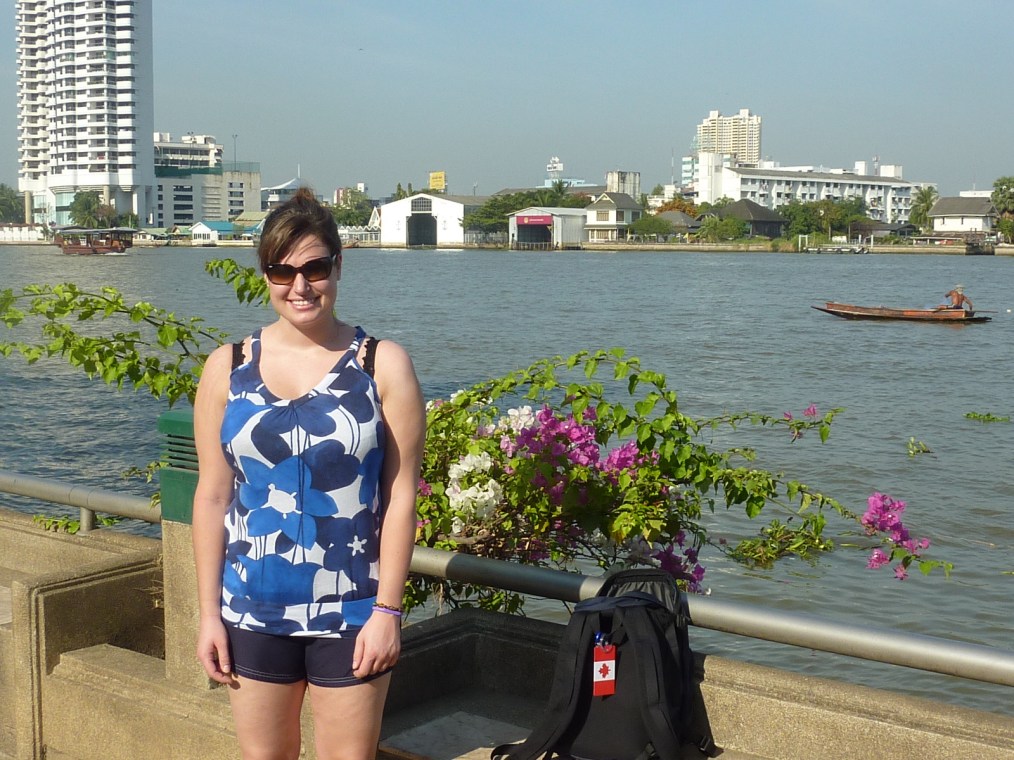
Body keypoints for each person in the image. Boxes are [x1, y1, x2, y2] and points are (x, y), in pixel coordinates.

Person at [192, 187, 425, 760]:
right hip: (251, 607)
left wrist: (388, 612)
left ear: (338, 267)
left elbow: (399, 497)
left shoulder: (381, 364)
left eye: (315, 267)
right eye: (282, 270)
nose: (300, 286)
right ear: (265, 274)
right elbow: (211, 497)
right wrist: (208, 617)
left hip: (353, 610)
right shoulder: (227, 368)